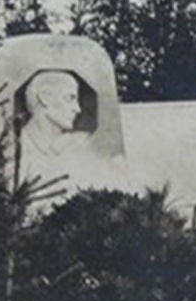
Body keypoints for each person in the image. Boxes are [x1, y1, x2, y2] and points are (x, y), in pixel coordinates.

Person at [17, 70, 129, 212]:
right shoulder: (12, 147)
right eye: (70, 98)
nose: (78, 109)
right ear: (45, 97)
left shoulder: (85, 145)